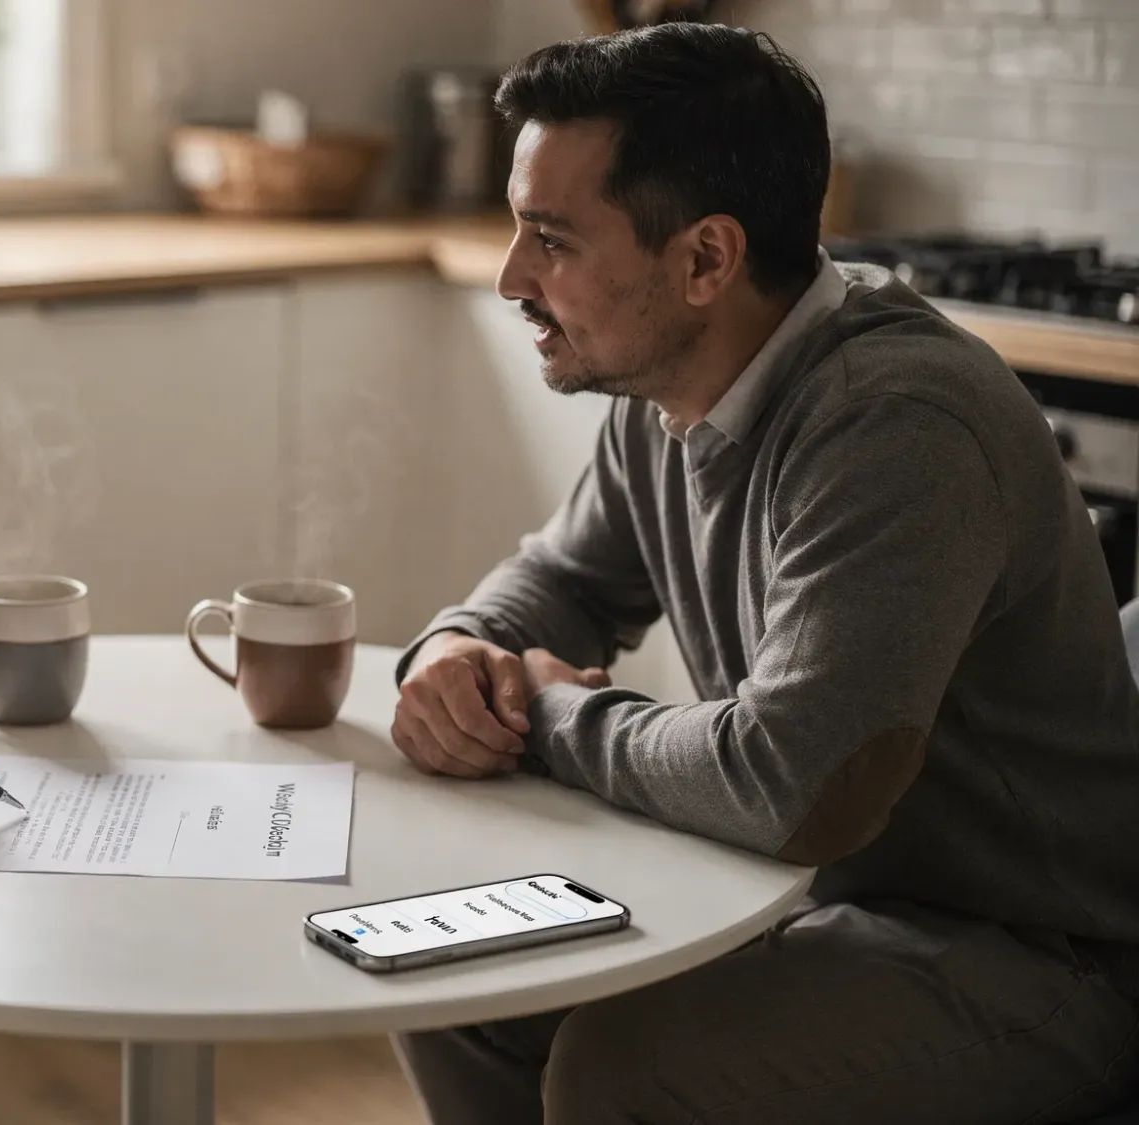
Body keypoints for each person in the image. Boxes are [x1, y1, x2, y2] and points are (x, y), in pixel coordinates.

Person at [391, 23, 1139, 1125]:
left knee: (619, 1070)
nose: (511, 276)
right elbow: (558, 582)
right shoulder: (664, 389)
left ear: (703, 260)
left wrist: (549, 715)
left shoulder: (894, 423)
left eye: (549, 238)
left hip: (1037, 955)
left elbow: (790, 784)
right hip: (808, 898)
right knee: (453, 970)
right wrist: (459, 648)